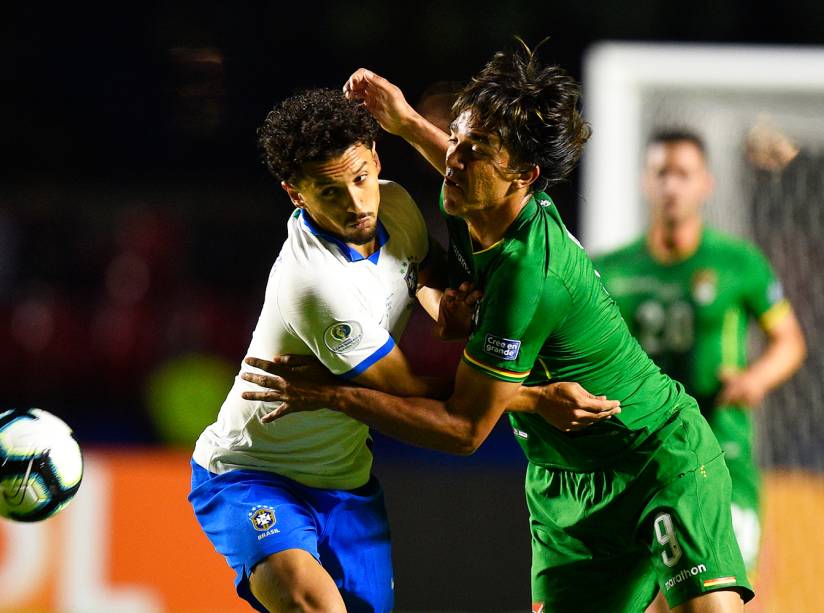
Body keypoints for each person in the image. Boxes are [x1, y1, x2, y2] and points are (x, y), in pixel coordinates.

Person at [242, 43, 755, 611]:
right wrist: (410, 121)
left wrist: (332, 396)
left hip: (653, 456)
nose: (454, 161)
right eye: (456, 140)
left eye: (474, 151)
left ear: (524, 176)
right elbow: (463, 164)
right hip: (564, 483)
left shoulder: (527, 277)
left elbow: (463, 429)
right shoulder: (475, 198)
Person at [187, 87, 615, 613]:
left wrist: (445, 311)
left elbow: (424, 273)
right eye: (328, 191)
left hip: (347, 480)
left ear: (376, 158)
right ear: (295, 194)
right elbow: (409, 391)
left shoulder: (396, 204)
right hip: (253, 472)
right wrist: (536, 397)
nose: (355, 202)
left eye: (361, 177)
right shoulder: (317, 285)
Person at [593, 129, 806, 610]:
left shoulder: (739, 263)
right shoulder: (611, 269)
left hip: (721, 456)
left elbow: (789, 342)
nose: (672, 186)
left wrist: (756, 379)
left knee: (721, 598)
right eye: (661, 173)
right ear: (646, 183)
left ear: (705, 183)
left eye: (683, 174)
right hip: (641, 461)